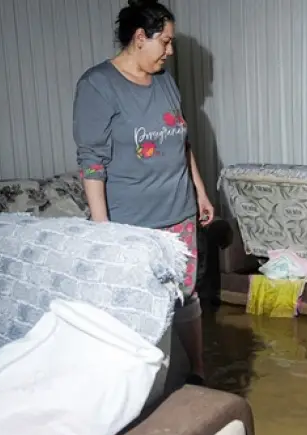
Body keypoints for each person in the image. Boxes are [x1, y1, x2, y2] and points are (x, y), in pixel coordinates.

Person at [72, 0, 213, 384]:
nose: (170, 51)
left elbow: (182, 140)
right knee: (140, 302)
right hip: (132, 222)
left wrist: (200, 192)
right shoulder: (97, 85)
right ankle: (143, 383)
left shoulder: (165, 81)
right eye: (165, 41)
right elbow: (91, 160)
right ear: (139, 37)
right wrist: (102, 227)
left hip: (179, 211)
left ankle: (198, 371)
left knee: (186, 295)